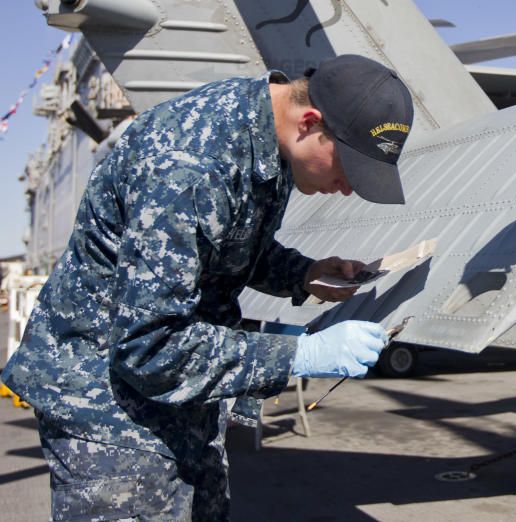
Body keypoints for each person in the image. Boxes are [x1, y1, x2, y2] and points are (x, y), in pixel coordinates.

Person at [1, 54, 415, 519]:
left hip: (181, 401)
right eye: (349, 168)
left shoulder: (263, 138)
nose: (347, 188)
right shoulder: (189, 165)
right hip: (109, 414)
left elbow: (225, 247)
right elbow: (149, 345)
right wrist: (302, 355)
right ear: (310, 122)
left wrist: (303, 272)